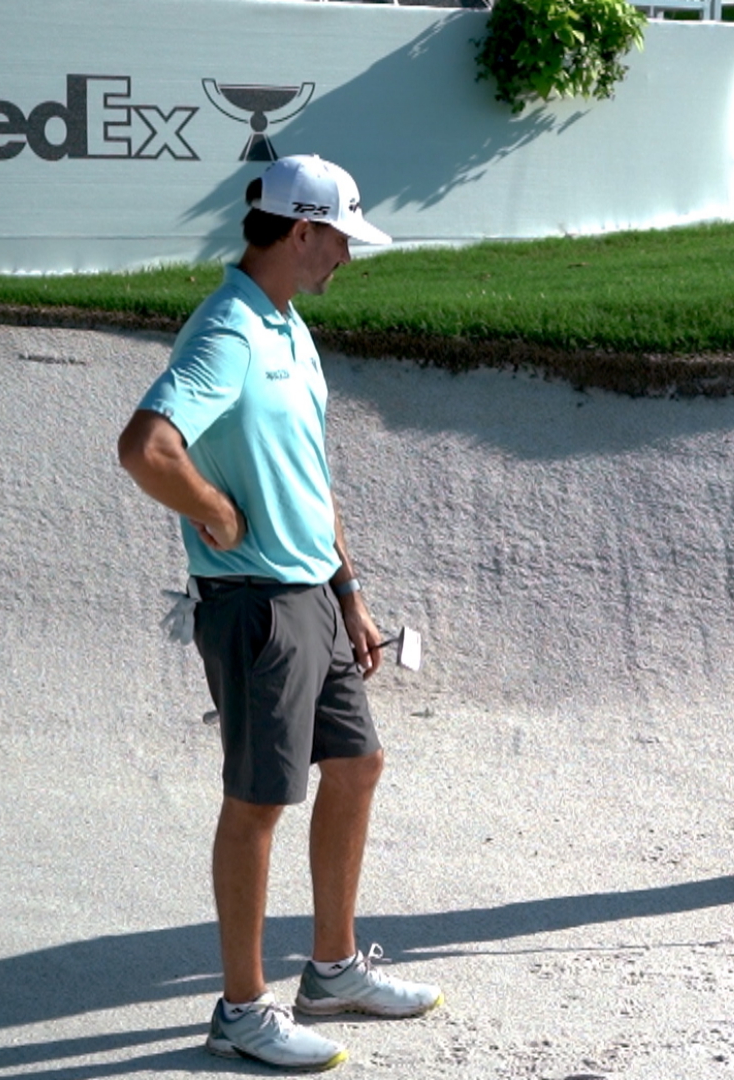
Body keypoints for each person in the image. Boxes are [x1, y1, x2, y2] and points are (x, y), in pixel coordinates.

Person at [117, 155, 440, 1072]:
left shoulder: (287, 326)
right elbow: (146, 448)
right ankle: (241, 1008)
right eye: (340, 237)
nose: (347, 254)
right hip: (256, 607)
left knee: (358, 765)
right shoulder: (226, 333)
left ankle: (333, 968)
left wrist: (349, 589)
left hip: (313, 596)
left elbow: (311, 473)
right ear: (299, 231)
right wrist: (213, 514)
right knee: (257, 802)